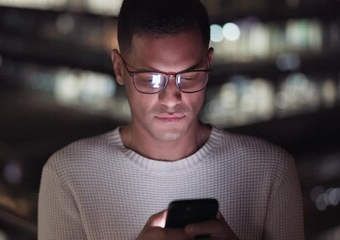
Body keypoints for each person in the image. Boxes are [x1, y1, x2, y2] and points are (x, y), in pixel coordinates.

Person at [38, 0, 305, 239]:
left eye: (188, 77)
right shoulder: (67, 176)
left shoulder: (271, 170)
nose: (171, 98)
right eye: (151, 79)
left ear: (209, 65)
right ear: (119, 68)